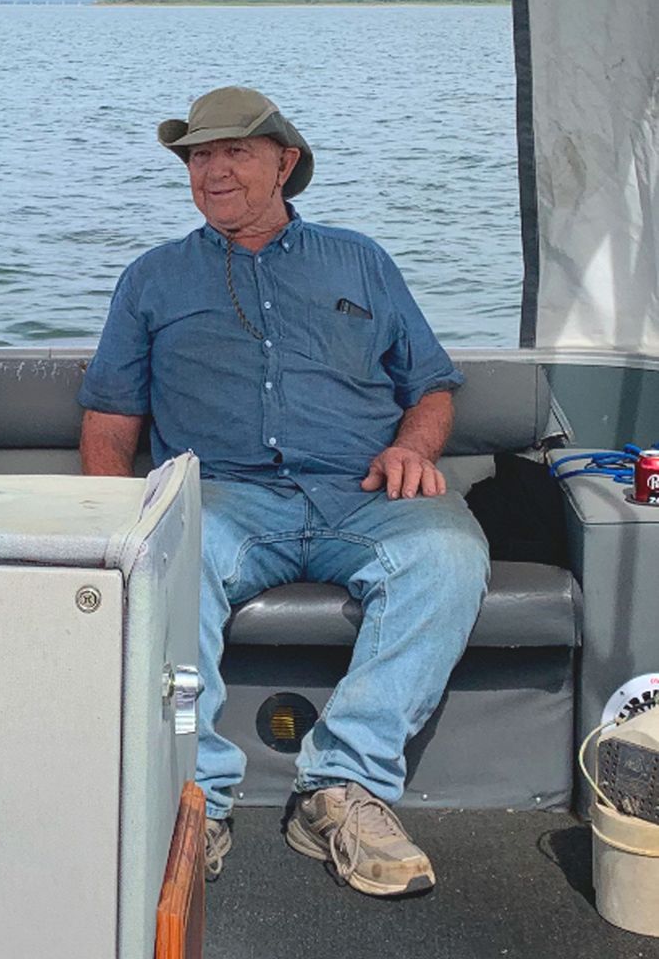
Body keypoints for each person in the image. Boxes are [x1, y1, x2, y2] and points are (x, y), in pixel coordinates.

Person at [78, 86, 489, 898]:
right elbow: (110, 418)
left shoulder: (361, 260)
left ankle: (342, 788)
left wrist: (412, 447)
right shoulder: (152, 278)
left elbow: (432, 386)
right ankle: (194, 797)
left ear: (284, 162)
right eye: (200, 155)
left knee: (448, 554)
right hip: (224, 497)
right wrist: (116, 525)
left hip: (363, 491)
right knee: (171, 555)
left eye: (235, 151)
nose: (213, 170)